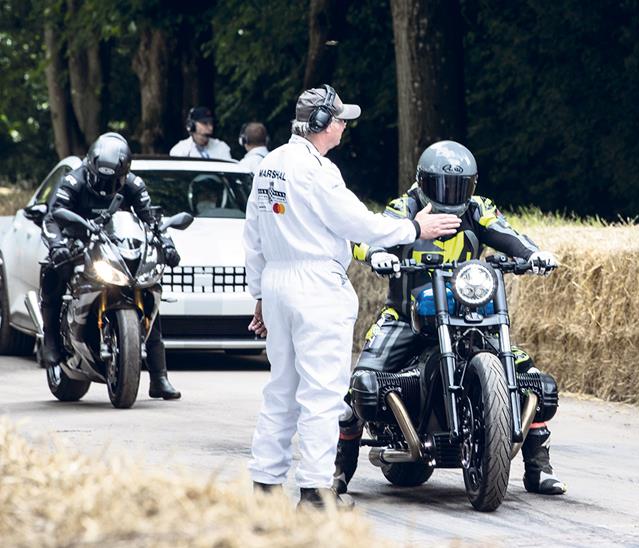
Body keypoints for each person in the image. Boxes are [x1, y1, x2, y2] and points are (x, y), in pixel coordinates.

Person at [242, 85, 462, 508]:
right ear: (322, 124)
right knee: (322, 395)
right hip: (315, 286)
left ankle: (264, 488)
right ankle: (315, 494)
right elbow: (358, 224)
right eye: (340, 119)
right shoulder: (318, 172)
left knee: (281, 390)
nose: (344, 126)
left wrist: (259, 296)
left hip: (277, 282)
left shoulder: (270, 164)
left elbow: (252, 235)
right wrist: (415, 230)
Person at [332, 140, 567, 496]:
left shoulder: (478, 208)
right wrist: (379, 254)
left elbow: (506, 233)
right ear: (423, 181)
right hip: (407, 315)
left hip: (467, 312)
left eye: (458, 186)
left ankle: (538, 467)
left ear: (471, 185)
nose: (450, 194)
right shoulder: (405, 206)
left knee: (532, 377)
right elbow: (371, 235)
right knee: (361, 385)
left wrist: (533, 254)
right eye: (441, 185)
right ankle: (339, 470)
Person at [42, 132, 182, 399]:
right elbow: (54, 215)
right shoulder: (74, 180)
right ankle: (51, 341)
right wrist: (58, 245)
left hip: (116, 243)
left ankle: (159, 377)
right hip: (78, 237)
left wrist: (168, 245)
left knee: (148, 287)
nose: (106, 186)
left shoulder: (134, 184)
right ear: (91, 167)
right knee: (52, 269)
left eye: (113, 180)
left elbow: (150, 221)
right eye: (100, 179)